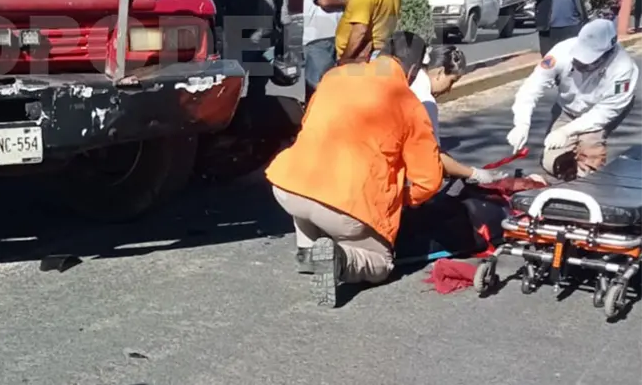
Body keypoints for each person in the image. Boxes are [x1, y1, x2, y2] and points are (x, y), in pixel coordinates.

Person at [267, 31, 445, 308]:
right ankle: (341, 260)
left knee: (308, 188)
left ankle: (307, 249)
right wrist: (401, 201)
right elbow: (429, 180)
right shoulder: (409, 104)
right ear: (412, 70)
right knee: (381, 263)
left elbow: (308, 124)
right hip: (346, 208)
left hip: (288, 187)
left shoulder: (336, 76)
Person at [507, 18, 638, 179]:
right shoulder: (561, 52)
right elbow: (532, 87)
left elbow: (604, 112)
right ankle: (569, 174)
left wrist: (566, 131)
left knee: (590, 144)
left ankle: (588, 184)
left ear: (607, 52)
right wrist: (521, 123)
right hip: (567, 108)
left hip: (599, 111)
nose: (581, 63)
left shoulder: (623, 69)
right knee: (552, 160)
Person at [410, 45, 510, 185]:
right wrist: (473, 173)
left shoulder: (409, 79)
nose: (449, 90)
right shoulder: (426, 102)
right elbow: (433, 156)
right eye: (452, 81)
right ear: (440, 72)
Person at [302, 0, 346, 98]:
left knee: (332, 88)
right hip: (318, 40)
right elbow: (325, 2)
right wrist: (345, 1)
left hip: (337, 38)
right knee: (317, 87)